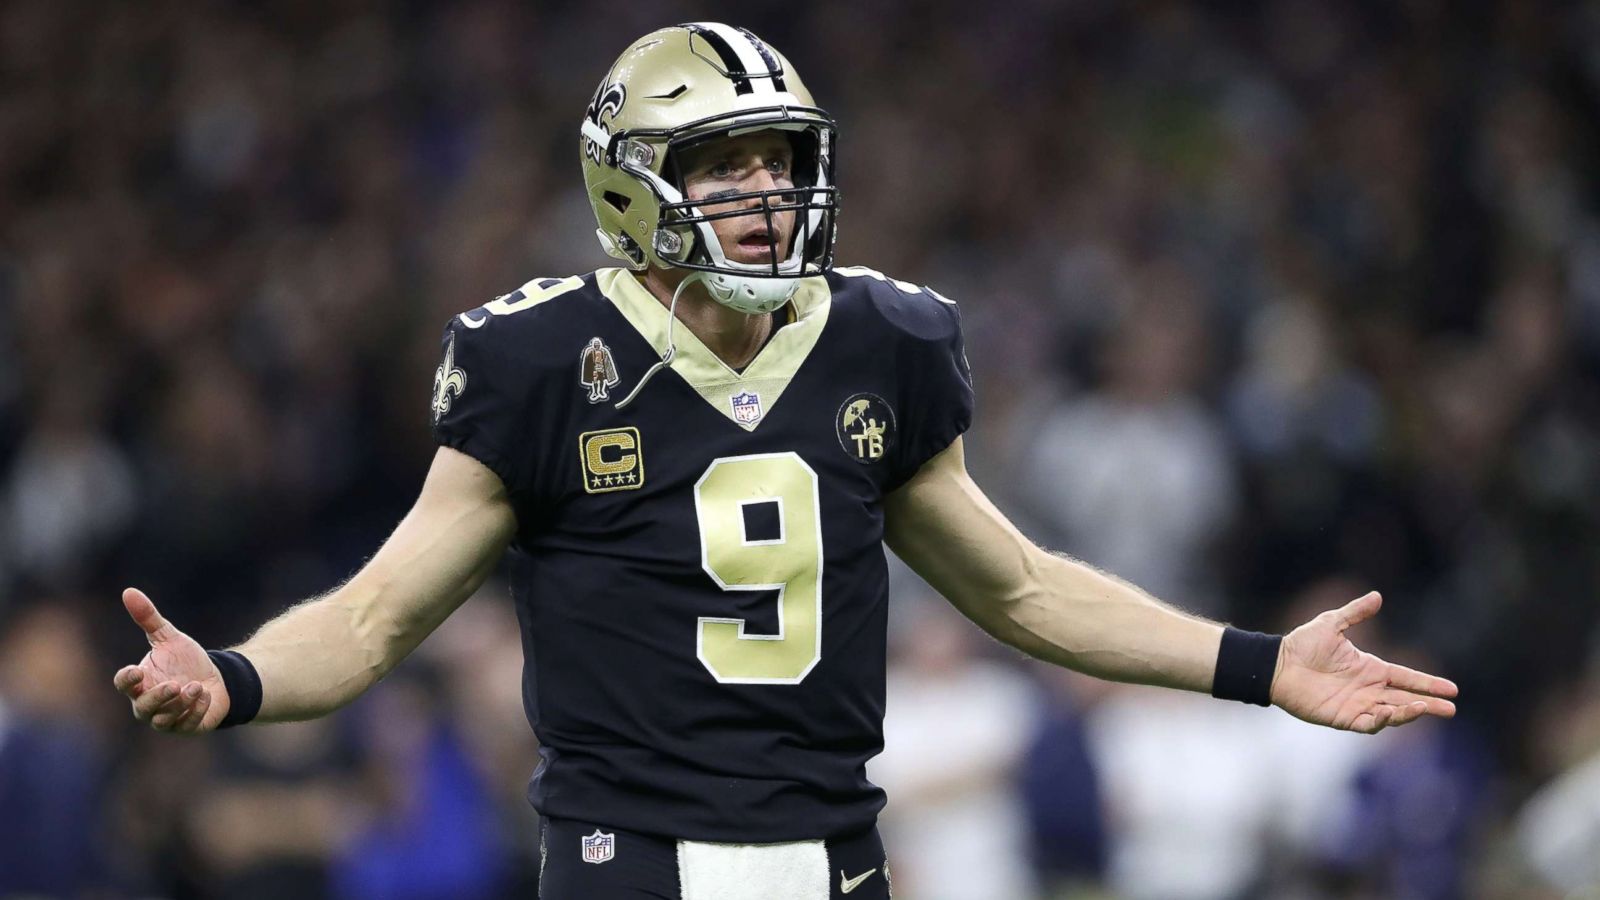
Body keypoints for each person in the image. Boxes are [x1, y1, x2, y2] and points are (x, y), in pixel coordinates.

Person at [112, 22, 1459, 900]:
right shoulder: (540, 362)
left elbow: (1026, 590)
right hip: (626, 863)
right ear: (632, 186)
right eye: (726, 166)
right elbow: (373, 617)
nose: (766, 196)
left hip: (838, 860)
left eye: (781, 161)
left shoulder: (883, 340)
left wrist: (1258, 665)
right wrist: (231, 678)